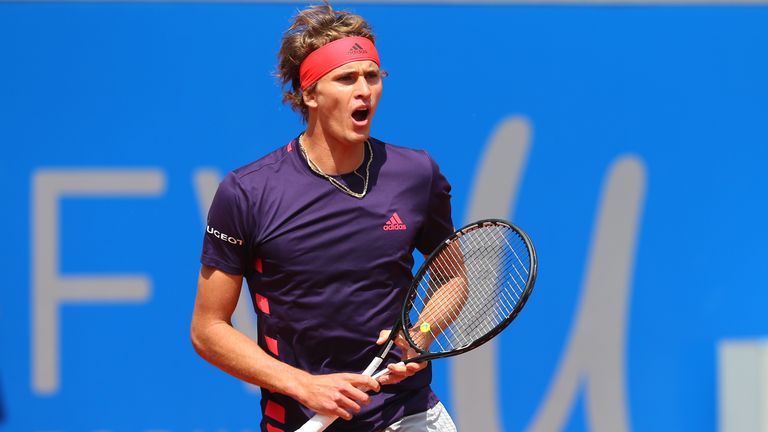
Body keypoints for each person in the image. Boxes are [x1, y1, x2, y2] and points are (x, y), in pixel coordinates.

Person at [191, 4, 457, 431]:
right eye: (346, 78)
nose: (364, 90)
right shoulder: (247, 192)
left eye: (372, 76)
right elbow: (208, 328)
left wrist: (420, 331)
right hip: (300, 416)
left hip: (411, 415)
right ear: (310, 94)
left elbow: (452, 277)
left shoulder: (416, 174)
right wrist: (303, 385)